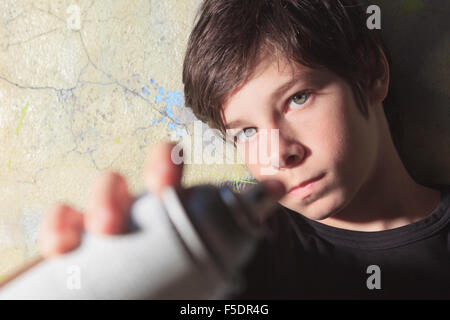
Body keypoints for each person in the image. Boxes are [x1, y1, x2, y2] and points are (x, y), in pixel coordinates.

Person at [39, 0, 450, 299]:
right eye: (247, 131)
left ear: (372, 73)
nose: (277, 154)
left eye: (298, 98)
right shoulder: (230, 256)